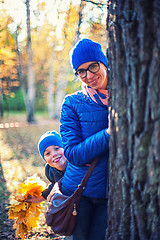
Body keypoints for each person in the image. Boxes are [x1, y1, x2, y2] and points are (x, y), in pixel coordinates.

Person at [60, 38, 111, 240]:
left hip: (111, 194)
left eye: (93, 66)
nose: (89, 75)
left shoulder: (127, 96)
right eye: (81, 71)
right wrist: (108, 134)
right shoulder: (72, 103)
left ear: (104, 63)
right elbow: (72, 153)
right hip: (79, 193)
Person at [26, 131, 68, 203]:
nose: (54, 154)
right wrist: (40, 197)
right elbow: (54, 186)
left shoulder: (75, 162)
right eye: (48, 153)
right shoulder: (50, 172)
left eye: (57, 148)